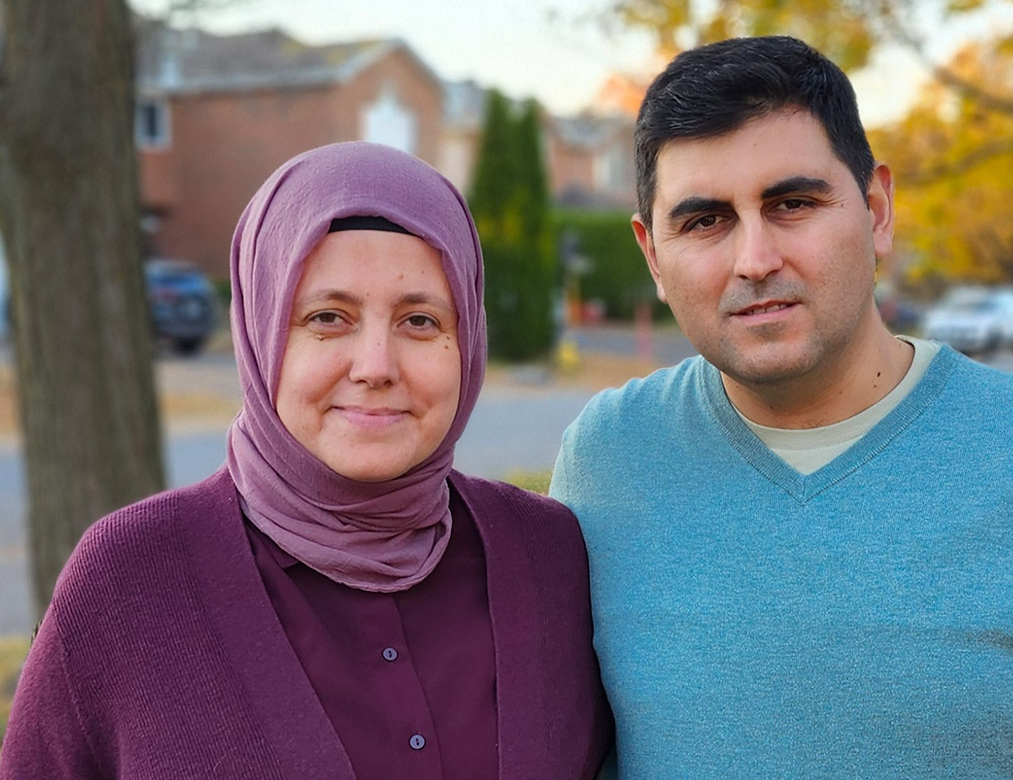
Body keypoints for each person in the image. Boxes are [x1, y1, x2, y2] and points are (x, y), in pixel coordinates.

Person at [551, 35, 1013, 779]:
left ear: (877, 209)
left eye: (792, 203)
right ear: (652, 257)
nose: (755, 259)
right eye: (705, 221)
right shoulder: (606, 459)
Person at [2, 142, 611, 779]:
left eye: (421, 321)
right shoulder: (130, 582)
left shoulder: (549, 560)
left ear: (469, 340)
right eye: (327, 317)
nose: (375, 365)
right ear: (262, 332)